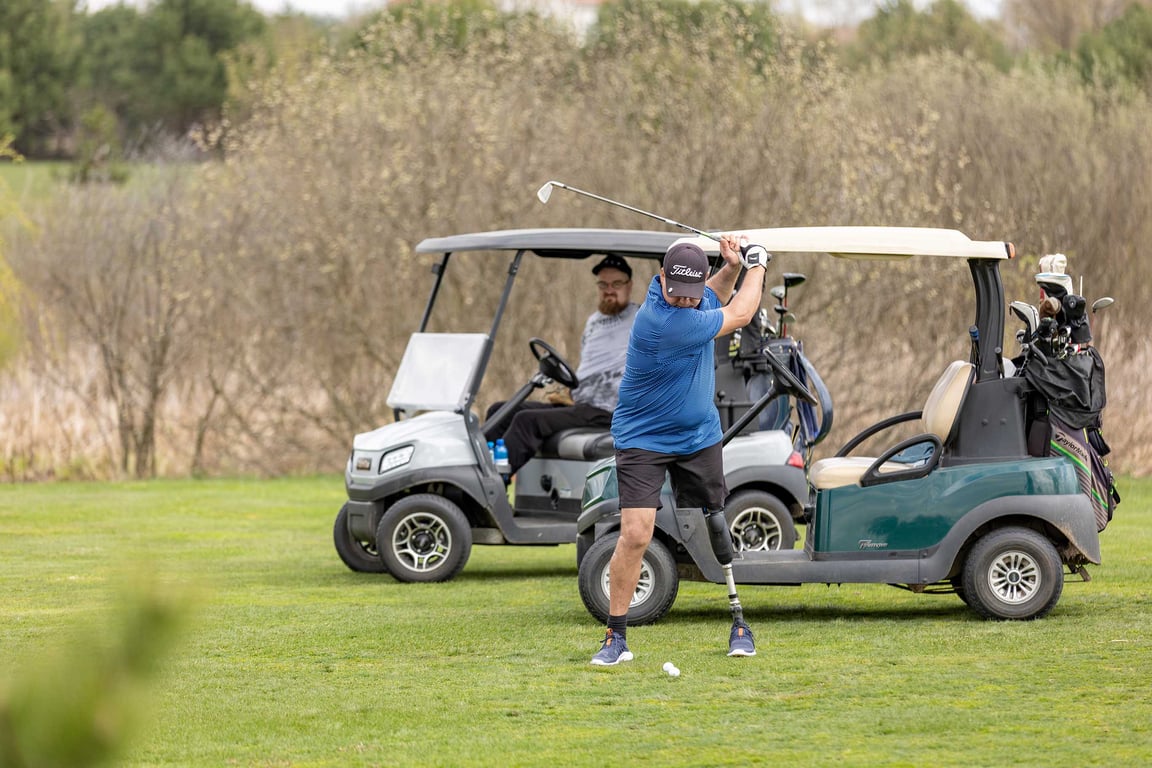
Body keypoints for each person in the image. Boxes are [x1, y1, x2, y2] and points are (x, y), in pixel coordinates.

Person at [590, 233, 769, 666]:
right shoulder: (661, 321)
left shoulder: (691, 299)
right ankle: (616, 637)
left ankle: (739, 621)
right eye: (678, 293)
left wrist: (730, 266)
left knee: (716, 519)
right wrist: (759, 262)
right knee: (636, 534)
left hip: (697, 435)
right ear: (661, 280)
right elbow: (741, 311)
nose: (686, 301)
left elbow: (712, 296)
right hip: (642, 438)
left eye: (691, 294)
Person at [484, 253, 638, 477]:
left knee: (526, 421)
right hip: (580, 405)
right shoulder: (593, 322)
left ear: (629, 285)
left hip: (608, 410)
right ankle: (481, 472)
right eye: (603, 284)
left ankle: (491, 484)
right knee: (499, 410)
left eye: (616, 284)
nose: (609, 290)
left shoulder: (641, 318)